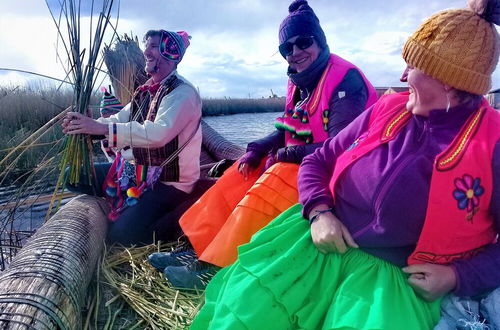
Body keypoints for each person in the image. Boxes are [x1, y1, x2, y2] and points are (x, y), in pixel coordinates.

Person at [190, 0, 500, 329]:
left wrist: (455, 276)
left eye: (413, 65)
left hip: (389, 282)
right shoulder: (389, 108)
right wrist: (319, 212)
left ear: (447, 79)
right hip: (319, 244)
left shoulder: (491, 144)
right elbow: (319, 160)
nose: (402, 74)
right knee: (248, 310)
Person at [148, 0, 377, 289]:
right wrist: (259, 147)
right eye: (286, 48)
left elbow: (341, 147)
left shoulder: (345, 79)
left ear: (319, 41)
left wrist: (286, 154)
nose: (295, 53)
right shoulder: (299, 80)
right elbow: (289, 128)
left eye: (303, 42)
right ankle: (197, 249)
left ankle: (215, 267)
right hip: (306, 162)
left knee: (272, 181)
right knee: (240, 173)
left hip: (341, 172)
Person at [62, 29, 202, 246]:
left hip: (169, 183)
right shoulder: (145, 92)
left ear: (171, 54)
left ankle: (181, 215)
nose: (146, 51)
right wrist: (88, 125)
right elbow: (118, 118)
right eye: (147, 45)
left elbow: (158, 133)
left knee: (122, 237)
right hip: (136, 172)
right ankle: (127, 204)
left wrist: (102, 129)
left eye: (154, 46)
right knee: (73, 175)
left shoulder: (183, 93)